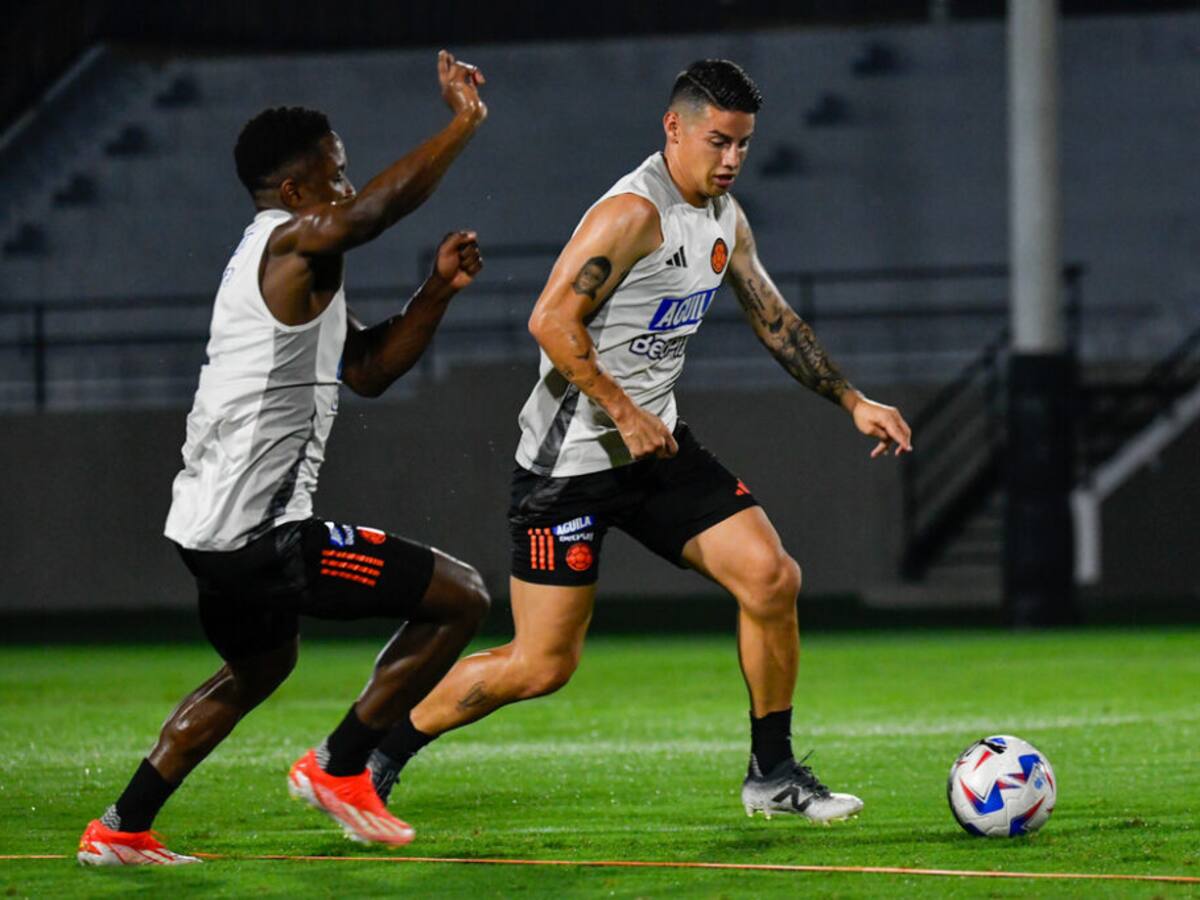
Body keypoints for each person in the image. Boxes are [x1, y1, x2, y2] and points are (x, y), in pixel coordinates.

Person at [365, 59, 913, 824]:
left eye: (743, 145)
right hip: (571, 463)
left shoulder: (726, 215)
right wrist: (623, 411)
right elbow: (551, 321)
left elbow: (774, 318)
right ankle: (374, 755)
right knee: (542, 665)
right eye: (718, 141)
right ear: (674, 128)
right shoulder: (631, 214)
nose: (730, 160)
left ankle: (773, 773)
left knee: (770, 577)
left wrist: (850, 399)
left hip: (655, 450)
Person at [78, 50, 490, 866]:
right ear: (297, 191)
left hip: (206, 533)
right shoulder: (291, 243)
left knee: (259, 667)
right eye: (336, 175)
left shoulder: (294, 266)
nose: (348, 185)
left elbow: (367, 371)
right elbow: (367, 216)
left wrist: (435, 293)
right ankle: (341, 767)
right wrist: (462, 123)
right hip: (258, 535)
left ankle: (121, 827)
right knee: (462, 598)